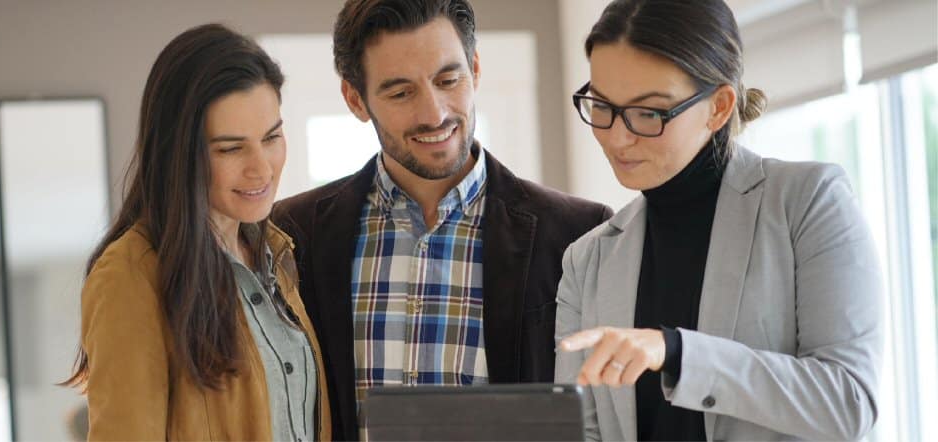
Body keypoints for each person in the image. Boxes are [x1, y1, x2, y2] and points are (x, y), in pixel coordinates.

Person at [269, 0, 612, 438]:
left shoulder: (579, 233)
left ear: (475, 69)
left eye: (448, 80)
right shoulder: (293, 233)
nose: (434, 113)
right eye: (400, 92)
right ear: (356, 99)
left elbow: (611, 414)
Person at [554, 0, 883, 440]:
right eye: (601, 105)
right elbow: (580, 431)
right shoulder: (587, 261)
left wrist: (677, 352)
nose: (617, 136)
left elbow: (849, 403)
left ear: (719, 106)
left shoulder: (807, 202)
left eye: (648, 112)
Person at [62, 24, 330, 440]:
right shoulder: (130, 275)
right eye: (230, 148)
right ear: (178, 154)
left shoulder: (276, 253)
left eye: (272, 136)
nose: (262, 168)